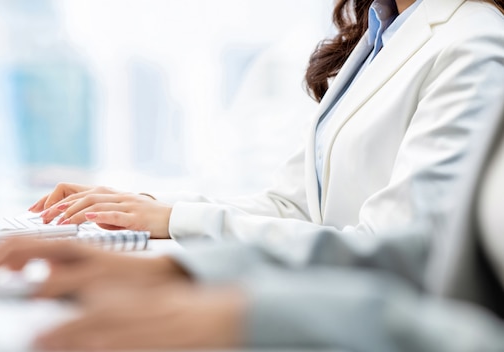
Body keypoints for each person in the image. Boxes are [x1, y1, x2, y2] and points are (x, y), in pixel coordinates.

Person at [0, 94, 504, 352]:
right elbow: (426, 250)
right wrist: (180, 260)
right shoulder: (380, 34)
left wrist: (272, 310)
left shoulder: (475, 39)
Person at [27, 0, 504, 250]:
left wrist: (176, 221)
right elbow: (292, 205)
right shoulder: (384, 31)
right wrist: (148, 209)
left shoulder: (473, 40)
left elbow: (394, 247)